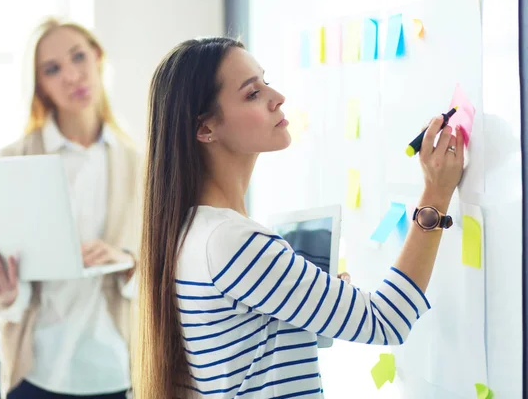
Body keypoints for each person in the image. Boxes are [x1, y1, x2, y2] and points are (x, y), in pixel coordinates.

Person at [134, 37, 464, 398]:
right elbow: (386, 321)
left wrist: (309, 299)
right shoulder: (232, 241)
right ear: (205, 129)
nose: (277, 97)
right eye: (252, 94)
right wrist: (435, 196)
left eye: (266, 81)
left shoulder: (192, 232)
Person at [0, 18, 142, 399]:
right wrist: (5, 292)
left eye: (79, 57)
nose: (71, 75)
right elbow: (10, 291)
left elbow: (163, 271)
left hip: (111, 369)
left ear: (97, 57)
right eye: (52, 69)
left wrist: (128, 261)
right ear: (40, 85)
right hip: (30, 368)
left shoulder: (139, 165)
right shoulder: (12, 161)